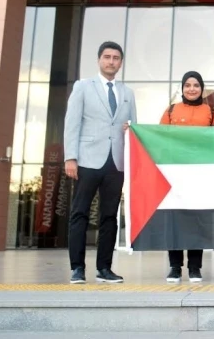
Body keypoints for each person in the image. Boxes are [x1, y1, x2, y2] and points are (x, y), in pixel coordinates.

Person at [64, 41, 137, 284]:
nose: (111, 61)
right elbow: (72, 123)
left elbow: (134, 129)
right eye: (107, 57)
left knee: (109, 216)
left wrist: (131, 129)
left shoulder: (127, 93)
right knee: (80, 214)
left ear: (121, 62)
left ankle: (104, 268)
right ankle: (77, 268)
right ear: (99, 60)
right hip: (86, 159)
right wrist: (70, 157)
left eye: (116, 58)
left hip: (116, 163)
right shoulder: (83, 87)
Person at [159, 71, 214, 283]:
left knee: (197, 220)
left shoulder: (211, 111)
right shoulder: (171, 110)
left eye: (196, 85)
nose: (191, 89)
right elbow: (159, 138)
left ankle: (195, 267)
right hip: (175, 173)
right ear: (182, 88)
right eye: (187, 85)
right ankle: (175, 266)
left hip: (200, 175)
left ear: (202, 88)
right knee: (174, 219)